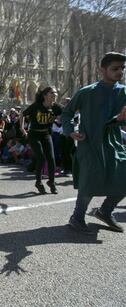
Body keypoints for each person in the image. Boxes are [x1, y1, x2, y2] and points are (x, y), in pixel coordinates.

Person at [61, 52, 126, 234]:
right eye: (115, 68)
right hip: (89, 144)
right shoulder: (87, 92)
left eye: (122, 68)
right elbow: (67, 113)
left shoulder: (124, 92)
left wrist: (121, 119)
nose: (120, 72)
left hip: (113, 144)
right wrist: (71, 130)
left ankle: (105, 211)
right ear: (102, 69)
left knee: (124, 178)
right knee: (89, 182)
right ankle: (77, 218)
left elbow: (120, 121)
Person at [21, 87, 62, 194]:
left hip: (46, 134)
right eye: (52, 92)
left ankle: (51, 183)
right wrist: (22, 129)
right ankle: (38, 182)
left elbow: (67, 114)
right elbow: (22, 114)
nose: (55, 94)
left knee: (52, 159)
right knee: (41, 157)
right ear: (45, 95)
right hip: (34, 134)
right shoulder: (36, 106)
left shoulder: (56, 107)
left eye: (56, 93)